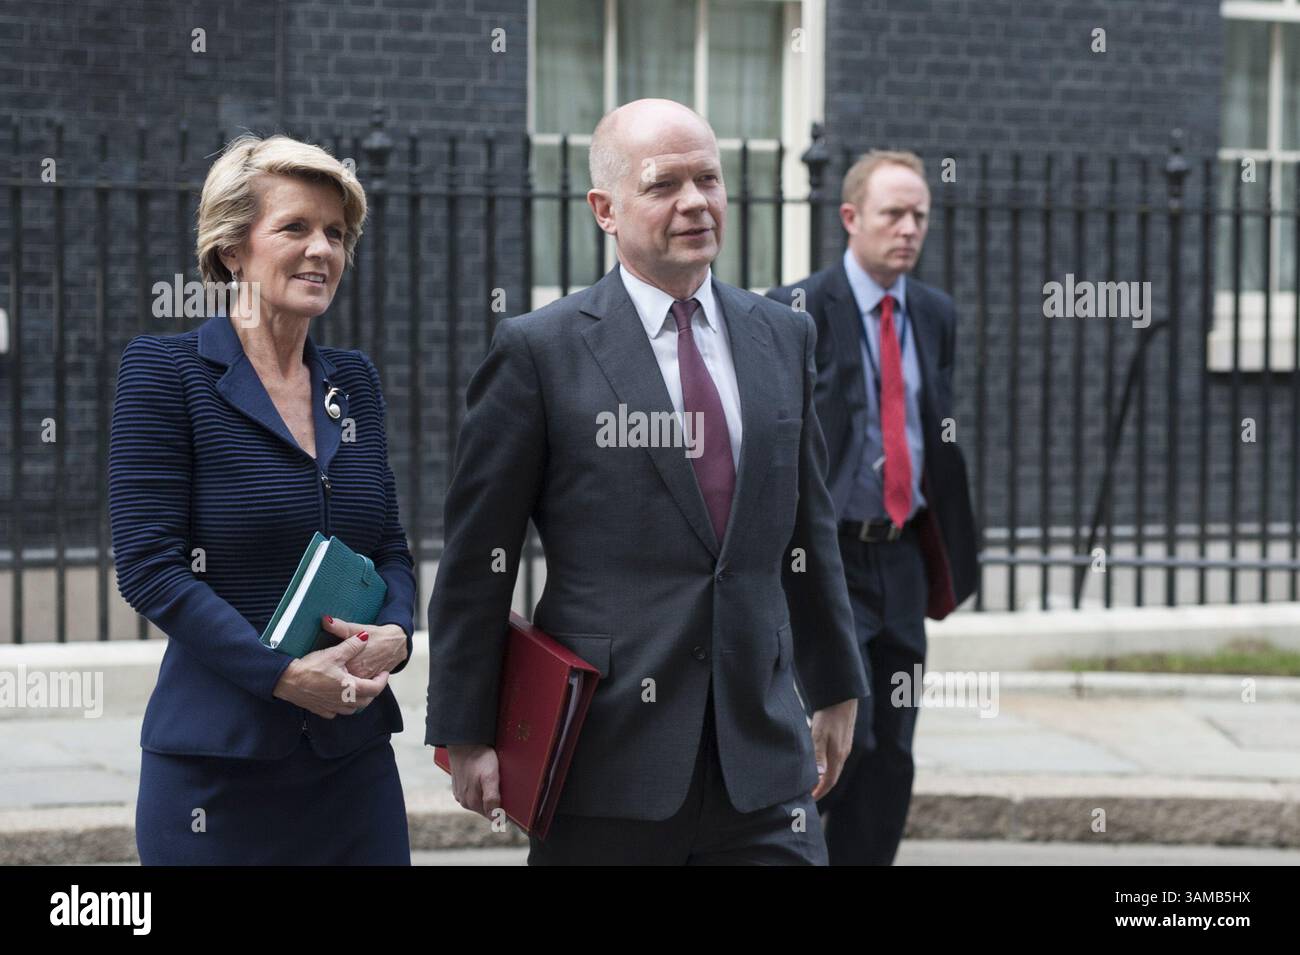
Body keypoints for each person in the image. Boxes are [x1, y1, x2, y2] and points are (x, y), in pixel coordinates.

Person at [425, 98, 868, 865]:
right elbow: (476, 558)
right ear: (604, 208)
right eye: (664, 184)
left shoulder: (782, 334)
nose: (695, 202)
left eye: (709, 179)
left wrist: (836, 683)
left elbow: (808, 529)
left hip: (760, 763)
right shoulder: (539, 351)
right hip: (604, 763)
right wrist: (466, 732)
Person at [109, 134, 416, 865]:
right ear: (231, 250)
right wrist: (281, 675)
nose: (322, 249)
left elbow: (390, 549)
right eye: (296, 227)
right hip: (218, 774)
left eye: (336, 233)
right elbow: (150, 567)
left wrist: (397, 635)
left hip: (353, 770)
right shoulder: (165, 373)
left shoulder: (354, 381)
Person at [768, 150, 979, 865]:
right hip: (827, 560)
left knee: (893, 747)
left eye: (920, 214)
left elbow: (928, 427)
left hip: (902, 557)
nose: (910, 228)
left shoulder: (934, 313)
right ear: (851, 218)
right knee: (840, 737)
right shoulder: (794, 309)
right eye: (894, 213)